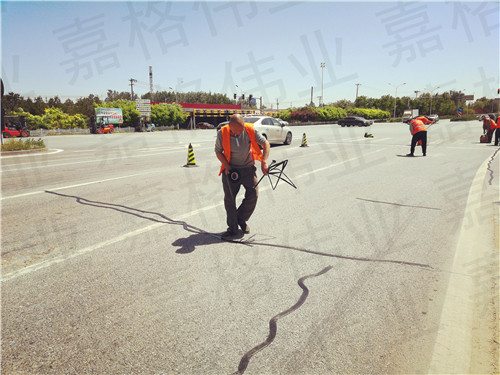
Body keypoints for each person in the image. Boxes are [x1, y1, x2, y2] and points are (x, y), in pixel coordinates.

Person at [215, 114, 270, 238]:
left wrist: (264, 161)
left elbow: (266, 144)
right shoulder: (222, 133)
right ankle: (232, 228)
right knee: (230, 200)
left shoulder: (250, 130)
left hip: (248, 169)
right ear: (230, 126)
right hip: (230, 170)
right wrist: (226, 166)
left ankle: (241, 218)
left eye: (241, 130)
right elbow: (218, 151)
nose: (239, 133)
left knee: (253, 195)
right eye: (236, 131)